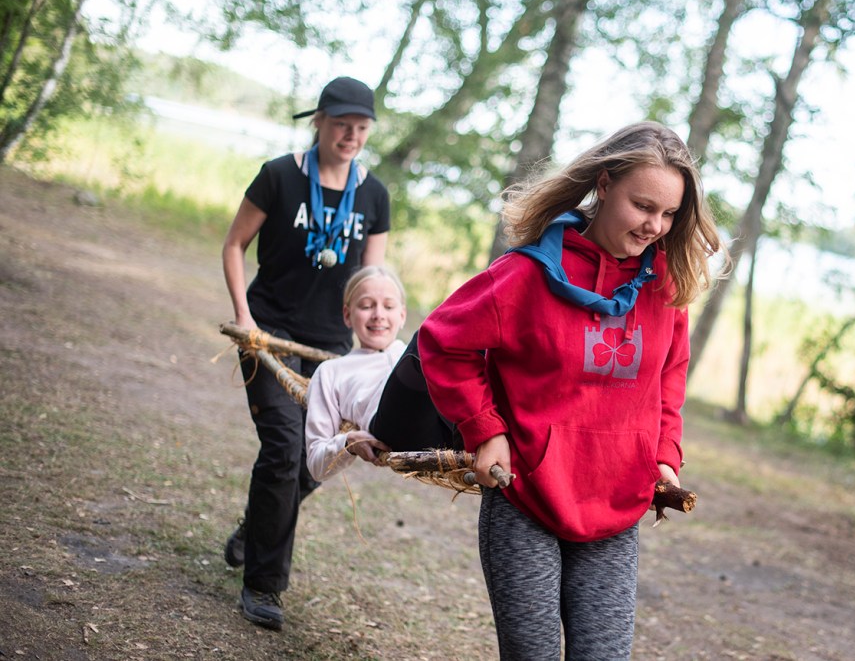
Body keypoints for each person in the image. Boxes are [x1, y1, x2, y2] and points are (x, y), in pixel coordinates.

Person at [416, 121, 727, 659]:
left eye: (669, 214)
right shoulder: (525, 275)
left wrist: (664, 452)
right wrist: (486, 430)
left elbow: (669, 374)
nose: (654, 225)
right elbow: (444, 342)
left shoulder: (664, 286)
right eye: (642, 206)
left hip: (617, 502)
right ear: (604, 184)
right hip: (526, 495)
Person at [221, 75, 390, 631]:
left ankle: (259, 527)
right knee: (283, 447)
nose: (351, 135)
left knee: (323, 455)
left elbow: (371, 278)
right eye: (341, 124)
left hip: (331, 346)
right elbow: (234, 244)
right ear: (318, 121)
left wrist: (374, 339)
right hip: (268, 330)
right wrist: (245, 319)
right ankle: (264, 587)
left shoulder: (374, 195)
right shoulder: (279, 175)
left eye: (361, 127)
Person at [306, 266, 460, 482]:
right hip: (395, 426)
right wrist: (347, 443)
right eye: (366, 306)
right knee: (430, 336)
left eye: (388, 306)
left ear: (402, 315)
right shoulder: (331, 371)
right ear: (347, 315)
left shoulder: (408, 354)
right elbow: (315, 463)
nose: (378, 315)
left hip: (451, 426)